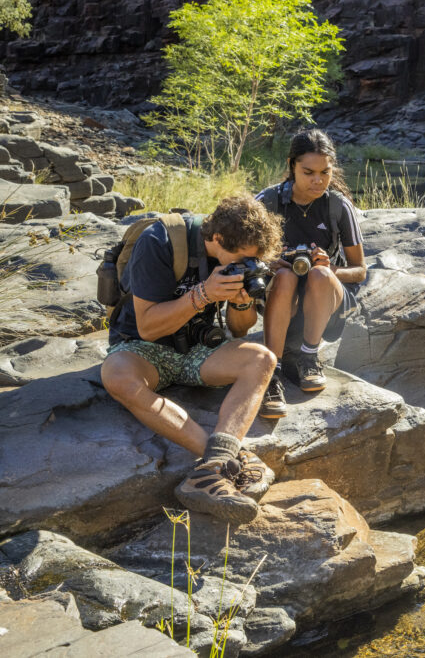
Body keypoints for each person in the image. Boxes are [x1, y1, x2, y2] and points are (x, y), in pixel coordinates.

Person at [100, 194, 284, 525]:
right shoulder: (158, 242)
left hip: (198, 346)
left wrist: (241, 303)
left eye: (251, 262)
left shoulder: (237, 254)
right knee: (116, 376)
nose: (245, 266)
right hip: (143, 347)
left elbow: (239, 331)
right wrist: (203, 295)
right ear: (215, 239)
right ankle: (229, 458)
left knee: (262, 359)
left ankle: (210, 472)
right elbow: (149, 326)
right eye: (242, 260)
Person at [254, 129, 366, 417]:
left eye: (325, 172)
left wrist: (328, 267)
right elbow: (242, 258)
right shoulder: (268, 202)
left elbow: (360, 271)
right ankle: (272, 372)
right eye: (308, 172)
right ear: (292, 166)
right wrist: (269, 262)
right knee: (287, 275)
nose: (318, 180)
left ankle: (308, 356)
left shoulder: (337, 205)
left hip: (326, 298)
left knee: (318, 275)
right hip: (281, 293)